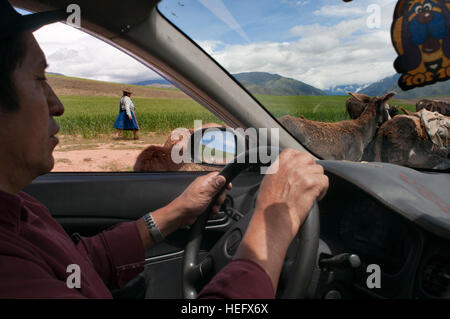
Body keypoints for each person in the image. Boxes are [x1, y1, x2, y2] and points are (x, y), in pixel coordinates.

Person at [0, 1, 329, 299]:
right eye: (39, 77)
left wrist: (179, 210)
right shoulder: (10, 274)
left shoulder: (20, 208)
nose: (57, 105)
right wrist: (271, 224)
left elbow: (82, 261)